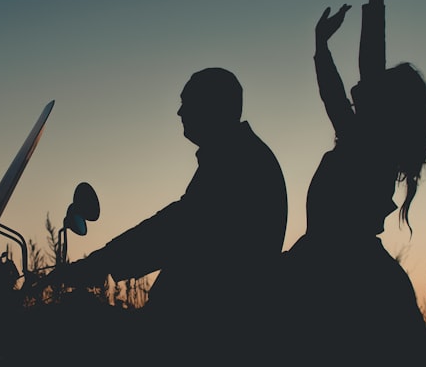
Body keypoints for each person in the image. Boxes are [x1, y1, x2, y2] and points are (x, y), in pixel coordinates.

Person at [53, 67, 288, 348]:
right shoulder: (236, 155)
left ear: (212, 106)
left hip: (203, 329)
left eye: (186, 103)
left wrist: (98, 264)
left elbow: (176, 229)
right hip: (199, 322)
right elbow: (177, 224)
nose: (179, 112)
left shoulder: (239, 161)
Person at [277, 0, 426, 359]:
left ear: (388, 108)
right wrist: (320, 48)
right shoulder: (358, 140)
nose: (366, 86)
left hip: (334, 268)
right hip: (324, 260)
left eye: (380, 86)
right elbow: (334, 94)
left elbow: (368, 65)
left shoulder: (372, 147)